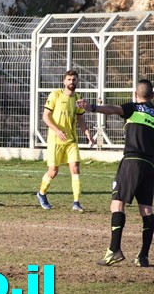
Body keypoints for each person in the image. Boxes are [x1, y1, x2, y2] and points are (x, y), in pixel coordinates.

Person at [77, 79, 154, 267]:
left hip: (132, 161)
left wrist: (93, 107)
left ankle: (114, 250)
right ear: (152, 96)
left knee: (117, 204)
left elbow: (112, 109)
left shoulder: (133, 108)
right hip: (150, 165)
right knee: (146, 209)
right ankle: (143, 256)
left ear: (136, 95)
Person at [36, 70, 94, 211]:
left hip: (71, 140)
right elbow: (45, 116)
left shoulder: (77, 99)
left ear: (77, 81)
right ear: (64, 81)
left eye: (74, 80)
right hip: (55, 140)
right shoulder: (55, 95)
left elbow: (80, 119)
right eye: (69, 79)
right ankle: (41, 193)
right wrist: (57, 130)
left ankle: (76, 202)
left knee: (75, 168)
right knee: (53, 171)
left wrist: (88, 134)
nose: (71, 82)